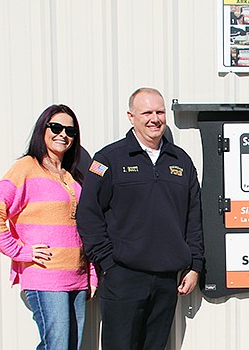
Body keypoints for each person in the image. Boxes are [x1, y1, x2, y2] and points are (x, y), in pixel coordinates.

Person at [76, 87, 204, 350]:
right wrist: (108, 262)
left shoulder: (181, 161)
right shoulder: (108, 159)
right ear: (131, 116)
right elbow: (88, 213)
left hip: (168, 279)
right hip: (123, 276)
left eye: (159, 112)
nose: (154, 118)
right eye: (146, 112)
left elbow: (194, 217)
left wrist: (195, 266)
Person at [0, 104, 98, 350]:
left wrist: (90, 274)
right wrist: (20, 251)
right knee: (56, 347)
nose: (63, 135)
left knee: (70, 347)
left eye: (70, 131)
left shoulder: (73, 176)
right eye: (56, 127)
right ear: (43, 129)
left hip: (77, 278)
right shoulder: (27, 167)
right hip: (46, 277)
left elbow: (83, 227)